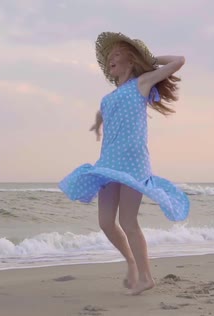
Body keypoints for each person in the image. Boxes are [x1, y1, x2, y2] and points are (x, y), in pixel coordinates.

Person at [59, 32, 190, 295]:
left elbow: (178, 61)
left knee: (128, 221)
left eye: (117, 54)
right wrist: (98, 124)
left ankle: (146, 277)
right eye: (109, 57)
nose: (111, 59)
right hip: (108, 161)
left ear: (131, 60)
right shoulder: (108, 97)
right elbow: (107, 117)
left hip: (132, 162)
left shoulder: (142, 83)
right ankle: (131, 263)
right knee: (106, 222)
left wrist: (150, 59)